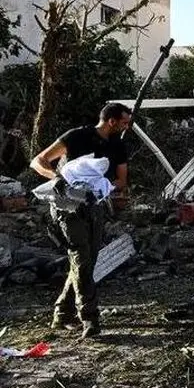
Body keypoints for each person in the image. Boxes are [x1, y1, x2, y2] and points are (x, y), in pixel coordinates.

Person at [30, 103, 131, 338]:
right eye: (124, 122)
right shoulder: (77, 136)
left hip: (94, 206)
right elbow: (38, 161)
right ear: (111, 121)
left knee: (87, 261)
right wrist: (57, 178)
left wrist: (102, 186)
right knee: (81, 258)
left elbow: (121, 180)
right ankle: (89, 318)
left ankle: (62, 313)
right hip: (67, 207)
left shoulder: (118, 146)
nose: (127, 127)